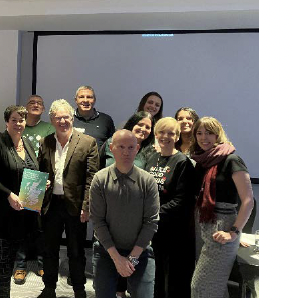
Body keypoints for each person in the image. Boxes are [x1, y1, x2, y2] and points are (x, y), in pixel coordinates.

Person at [37, 99, 99, 298]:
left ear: (72, 118)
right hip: (51, 205)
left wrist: (87, 206)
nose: (63, 121)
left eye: (66, 117)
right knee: (49, 249)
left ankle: (79, 289)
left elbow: (92, 178)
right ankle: (49, 288)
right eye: (58, 117)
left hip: (75, 206)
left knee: (76, 250)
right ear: (52, 120)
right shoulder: (44, 142)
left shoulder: (87, 142)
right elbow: (39, 172)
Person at [89, 130, 160, 298]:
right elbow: (98, 221)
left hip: (140, 253)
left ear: (137, 149)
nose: (126, 152)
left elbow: (151, 222)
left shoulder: (148, 181)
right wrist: (117, 259)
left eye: (130, 147)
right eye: (121, 147)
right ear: (112, 149)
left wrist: (131, 259)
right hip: (106, 251)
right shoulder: (100, 179)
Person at [0, 105, 40, 298]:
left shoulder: (27, 143)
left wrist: (40, 184)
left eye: (21, 120)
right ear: (6, 122)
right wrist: (7, 194)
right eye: (14, 119)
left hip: (21, 215)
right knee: (3, 261)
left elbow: (29, 172)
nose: (18, 123)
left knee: (12, 258)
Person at [190, 117, 254, 298]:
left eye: (209, 132)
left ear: (218, 134)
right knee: (214, 287)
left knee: (200, 287)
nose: (204, 138)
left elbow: (248, 200)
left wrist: (234, 231)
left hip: (222, 228)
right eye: (200, 133)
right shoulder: (202, 161)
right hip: (202, 223)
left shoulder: (232, 159)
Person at [143, 117, 196, 297]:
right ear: (156, 134)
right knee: (156, 274)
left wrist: (153, 214)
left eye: (171, 133)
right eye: (162, 132)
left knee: (174, 278)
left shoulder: (182, 162)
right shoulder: (152, 159)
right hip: (155, 228)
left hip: (175, 231)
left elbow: (182, 201)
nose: (165, 136)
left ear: (177, 136)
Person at [13, 95, 52, 284]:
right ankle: (19, 265)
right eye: (31, 103)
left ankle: (41, 263)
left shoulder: (49, 128)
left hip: (40, 181)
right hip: (20, 182)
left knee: (40, 227)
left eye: (39, 103)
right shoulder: (19, 126)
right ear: (24, 109)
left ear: (44, 109)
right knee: (21, 226)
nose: (35, 105)